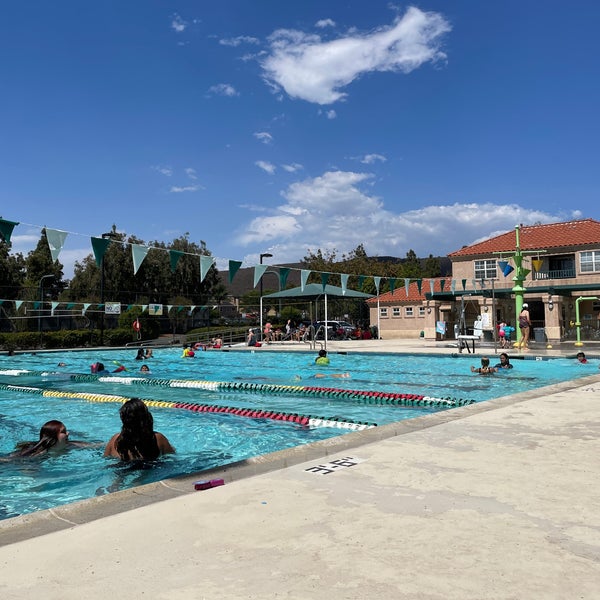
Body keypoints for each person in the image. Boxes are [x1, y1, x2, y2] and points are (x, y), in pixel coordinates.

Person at [103, 398, 175, 461]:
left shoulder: (115, 441)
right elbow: (172, 457)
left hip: (122, 468)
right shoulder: (158, 439)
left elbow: (105, 459)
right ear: (146, 418)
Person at [14, 420, 93, 457]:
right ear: (52, 437)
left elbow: (96, 445)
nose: (68, 433)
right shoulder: (38, 455)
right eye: (63, 431)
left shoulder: (72, 445)